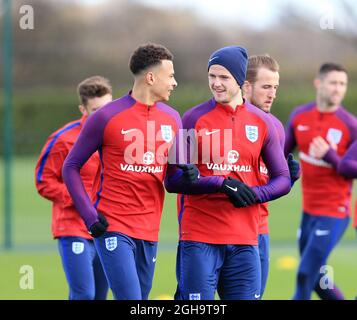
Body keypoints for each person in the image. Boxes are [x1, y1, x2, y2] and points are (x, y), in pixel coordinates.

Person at [62, 43, 199, 300]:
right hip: (113, 225)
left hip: (150, 228)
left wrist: (190, 176)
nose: (175, 82)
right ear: (150, 77)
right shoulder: (105, 117)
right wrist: (90, 216)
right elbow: (70, 167)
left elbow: (174, 181)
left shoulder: (174, 119)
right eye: (170, 76)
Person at [166, 46, 291, 300]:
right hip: (200, 238)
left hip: (245, 240)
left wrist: (253, 194)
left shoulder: (263, 123)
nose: (216, 83)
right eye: (212, 76)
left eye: (223, 77)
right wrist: (218, 183)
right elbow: (172, 180)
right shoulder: (192, 118)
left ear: (240, 81)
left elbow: (283, 179)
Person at [35, 76, 113, 300]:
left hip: (107, 226)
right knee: (84, 295)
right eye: (96, 110)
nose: (104, 115)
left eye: (108, 107)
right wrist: (80, 200)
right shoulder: (63, 139)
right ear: (83, 108)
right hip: (73, 228)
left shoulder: (118, 137)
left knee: (100, 295)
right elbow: (43, 181)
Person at [285, 63, 357, 300]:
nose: (338, 89)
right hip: (308, 212)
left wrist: (329, 155)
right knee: (316, 280)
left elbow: (351, 169)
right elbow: (280, 155)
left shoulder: (350, 125)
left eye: (342, 84)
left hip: (335, 212)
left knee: (305, 274)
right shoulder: (299, 116)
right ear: (319, 83)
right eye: (333, 83)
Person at [242, 54, 300, 298]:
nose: (272, 94)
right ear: (246, 87)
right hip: (218, 232)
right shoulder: (217, 122)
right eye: (266, 87)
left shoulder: (275, 126)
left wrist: (288, 178)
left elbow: (273, 181)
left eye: (275, 87)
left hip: (260, 230)